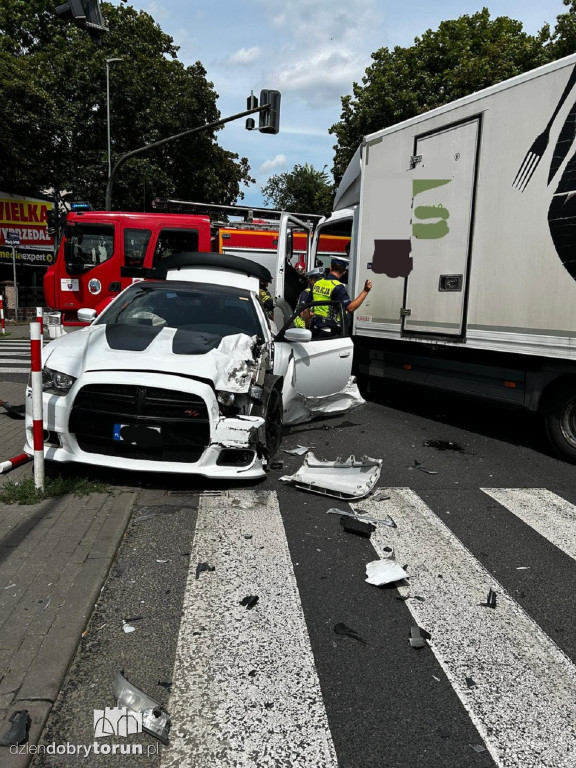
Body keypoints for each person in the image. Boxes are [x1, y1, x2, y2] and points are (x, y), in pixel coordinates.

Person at [310, 256, 372, 337]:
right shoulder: (338, 287)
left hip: (314, 328)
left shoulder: (317, 283)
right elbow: (350, 308)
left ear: (330, 267)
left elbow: (308, 308)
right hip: (329, 331)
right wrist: (365, 291)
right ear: (344, 272)